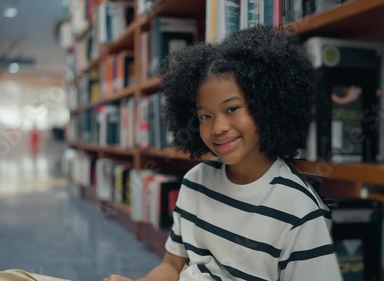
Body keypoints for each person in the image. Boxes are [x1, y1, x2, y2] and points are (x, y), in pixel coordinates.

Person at [105, 26, 342, 281]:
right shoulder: (195, 182)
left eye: (232, 109)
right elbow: (173, 266)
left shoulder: (300, 211)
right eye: (205, 116)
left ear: (266, 105)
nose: (218, 128)